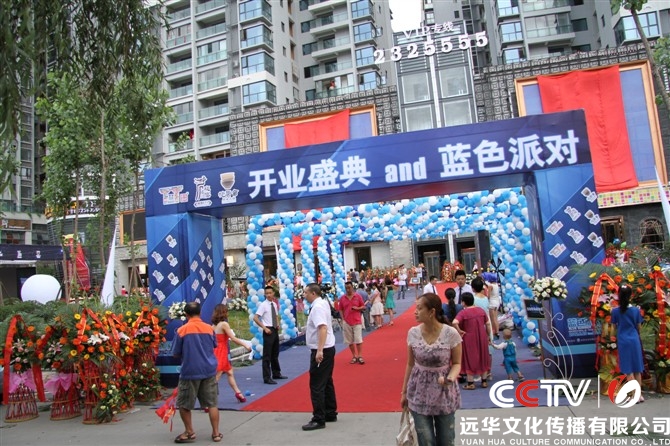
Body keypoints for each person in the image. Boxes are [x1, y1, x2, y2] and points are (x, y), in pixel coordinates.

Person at [401, 293, 462, 446]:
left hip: (444, 393)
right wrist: (404, 393)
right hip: (418, 392)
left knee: (446, 440)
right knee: (425, 440)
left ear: (432, 312)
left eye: (419, 308)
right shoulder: (413, 333)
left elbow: (457, 363)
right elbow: (410, 364)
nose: (415, 312)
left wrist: (450, 378)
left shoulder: (450, 333)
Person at [171, 302, 222, 443]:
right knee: (212, 404)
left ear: (186, 314)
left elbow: (175, 353)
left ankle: (189, 432)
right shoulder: (209, 329)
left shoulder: (182, 330)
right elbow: (214, 345)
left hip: (190, 371)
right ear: (200, 313)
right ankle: (216, 433)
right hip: (209, 370)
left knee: (184, 404)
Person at [301, 283, 338, 431]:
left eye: (306, 293)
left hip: (322, 349)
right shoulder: (323, 303)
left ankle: (319, 418)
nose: (304, 295)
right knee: (327, 381)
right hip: (328, 347)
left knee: (317, 384)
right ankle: (330, 411)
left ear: (313, 293)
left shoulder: (317, 307)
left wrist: (320, 350)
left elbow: (322, 327)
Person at [611, 284, 645, 403]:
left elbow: (613, 327)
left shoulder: (615, 311)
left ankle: (635, 395)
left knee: (628, 369)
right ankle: (639, 394)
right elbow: (639, 326)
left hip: (623, 340)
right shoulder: (636, 310)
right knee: (637, 368)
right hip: (634, 339)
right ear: (631, 295)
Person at [211, 304, 252, 403]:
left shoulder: (213, 326)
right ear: (223, 312)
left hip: (216, 350)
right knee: (217, 375)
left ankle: (238, 393)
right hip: (221, 351)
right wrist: (245, 345)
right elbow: (233, 338)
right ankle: (208, 400)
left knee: (229, 372)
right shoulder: (224, 324)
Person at [453, 292, 492, 390]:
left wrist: (459, 331)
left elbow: (454, 322)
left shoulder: (463, 313)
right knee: (483, 356)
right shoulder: (480, 310)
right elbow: (488, 324)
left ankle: (470, 383)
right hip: (482, 336)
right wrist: (488, 335)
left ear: (463, 302)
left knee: (469, 358)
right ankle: (484, 381)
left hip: (469, 338)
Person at [253, 286, 288, 384]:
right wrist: (264, 328)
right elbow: (256, 318)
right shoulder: (263, 305)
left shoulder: (274, 304)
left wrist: (277, 323)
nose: (268, 295)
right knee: (267, 355)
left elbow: (275, 315)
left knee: (275, 353)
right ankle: (267, 377)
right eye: (267, 293)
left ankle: (276, 373)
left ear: (273, 293)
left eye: (270, 293)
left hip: (274, 329)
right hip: (268, 329)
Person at [336, 281, 366, 364]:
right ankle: (354, 356)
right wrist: (343, 318)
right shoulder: (342, 298)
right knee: (349, 341)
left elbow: (363, 306)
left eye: (349, 288)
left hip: (357, 320)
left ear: (352, 287)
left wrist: (357, 308)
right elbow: (340, 309)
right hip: (347, 321)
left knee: (358, 339)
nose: (348, 290)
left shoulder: (357, 296)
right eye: (346, 288)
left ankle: (360, 356)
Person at [482, 272, 501, 339]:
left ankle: (495, 332)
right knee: (496, 318)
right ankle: (497, 331)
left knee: (492, 319)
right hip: (497, 302)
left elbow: (488, 296)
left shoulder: (490, 286)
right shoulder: (496, 285)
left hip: (492, 303)